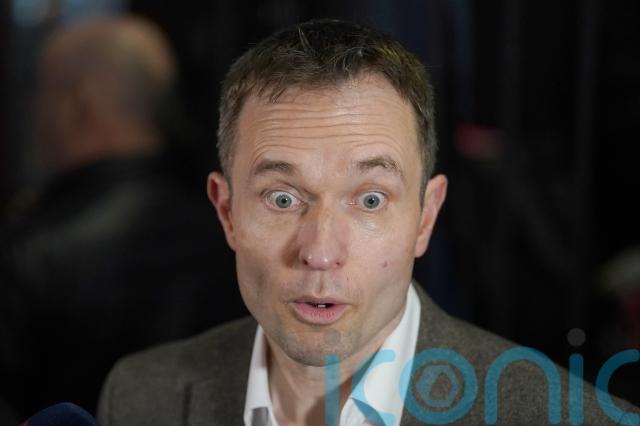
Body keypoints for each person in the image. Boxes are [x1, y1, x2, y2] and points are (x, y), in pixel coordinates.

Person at [96, 19, 639, 425]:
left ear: (425, 217)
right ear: (227, 211)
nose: (320, 251)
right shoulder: (141, 396)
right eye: (282, 199)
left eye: (370, 200)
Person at [0, 16, 242, 418]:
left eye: (39, 92)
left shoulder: (28, 251)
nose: (33, 113)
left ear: (77, 106)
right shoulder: (231, 228)